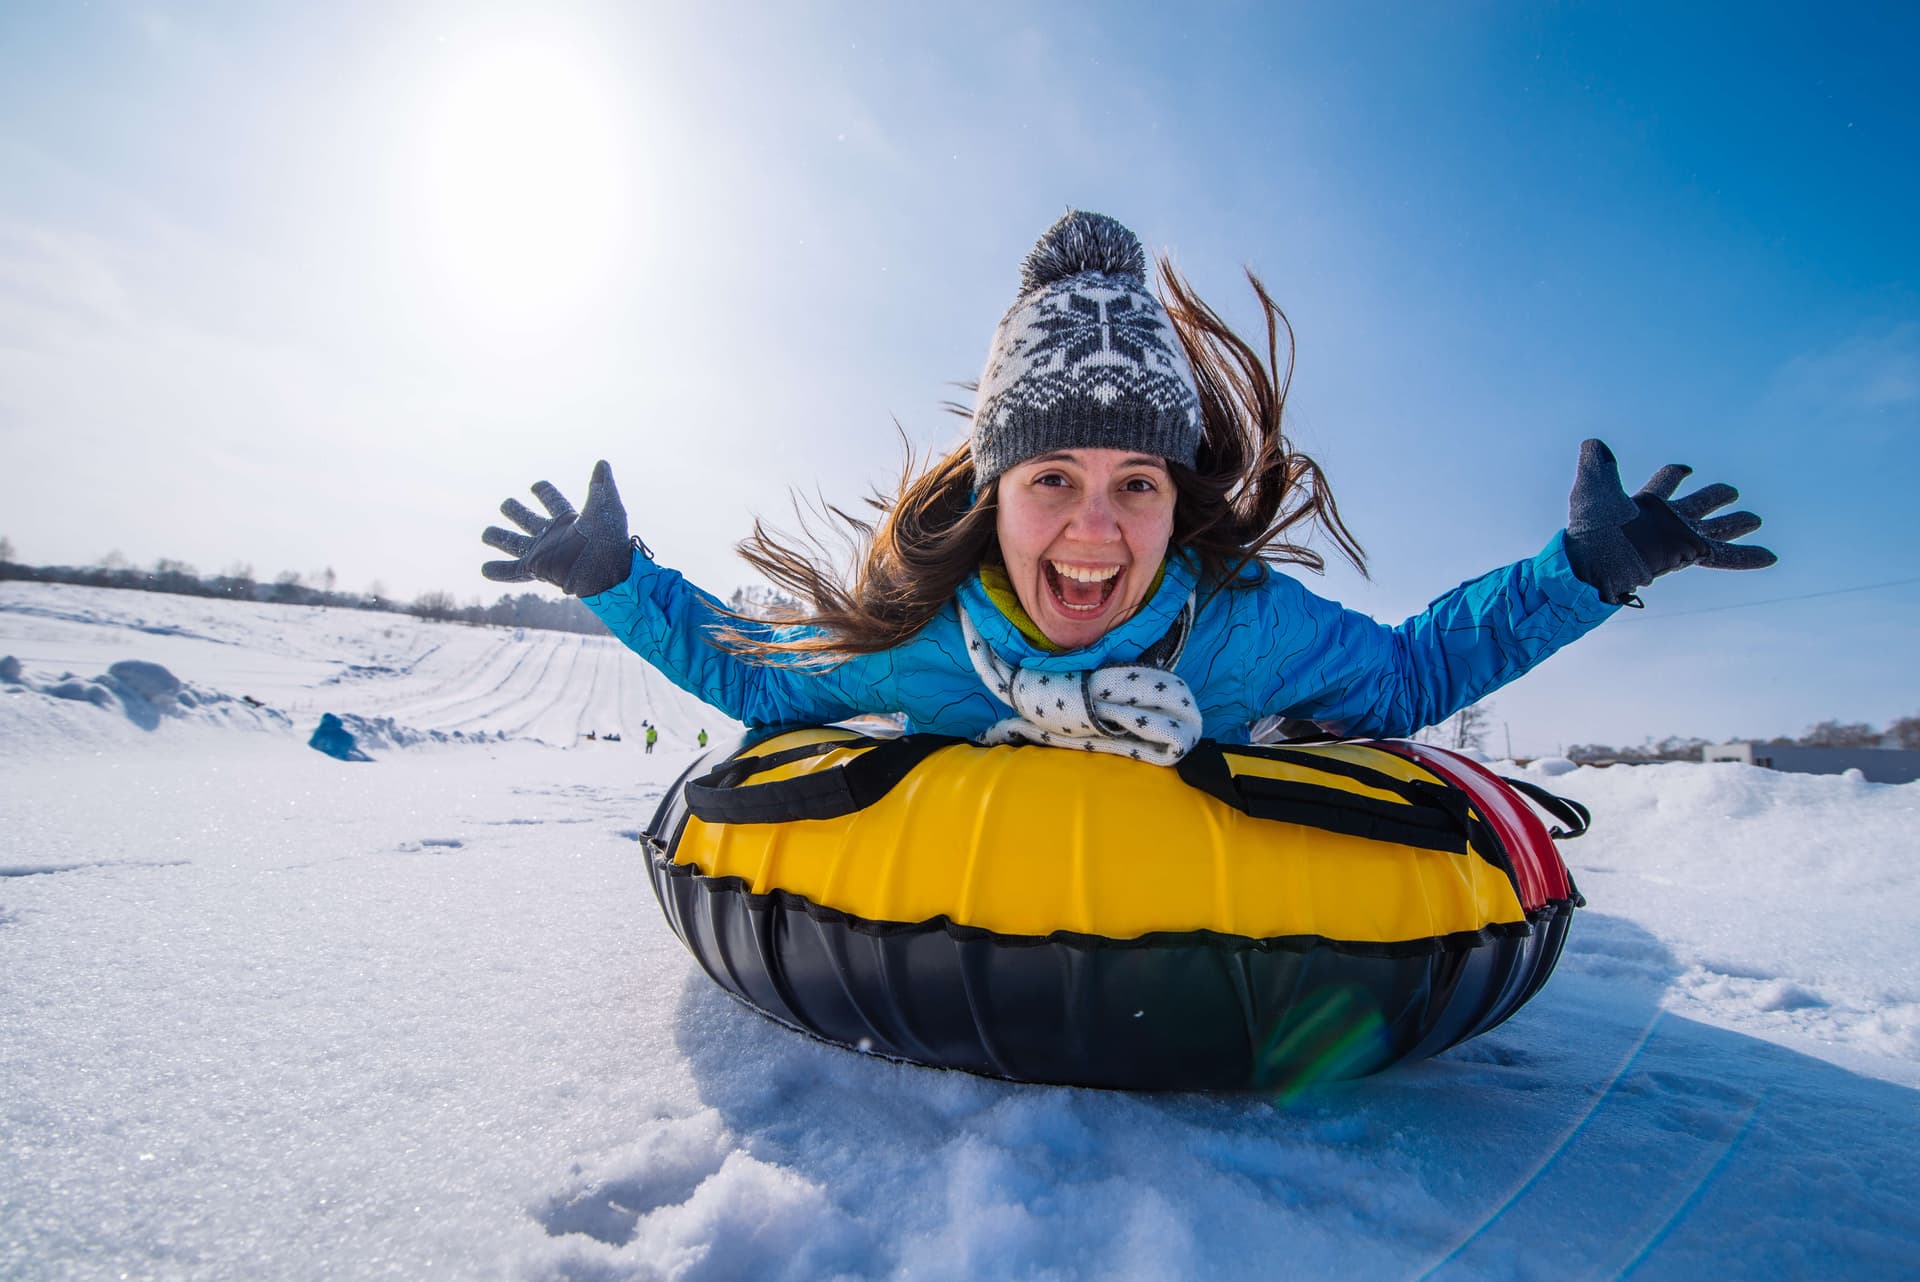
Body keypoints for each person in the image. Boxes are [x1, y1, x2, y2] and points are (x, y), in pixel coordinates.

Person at [481, 212, 1772, 763]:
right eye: (1051, 475)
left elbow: (1413, 676)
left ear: (1176, 497)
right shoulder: (930, 642)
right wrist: (615, 580)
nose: (1096, 524)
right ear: (993, 496)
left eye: (1136, 481)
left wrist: (1589, 574)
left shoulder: (1244, 629)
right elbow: (763, 681)